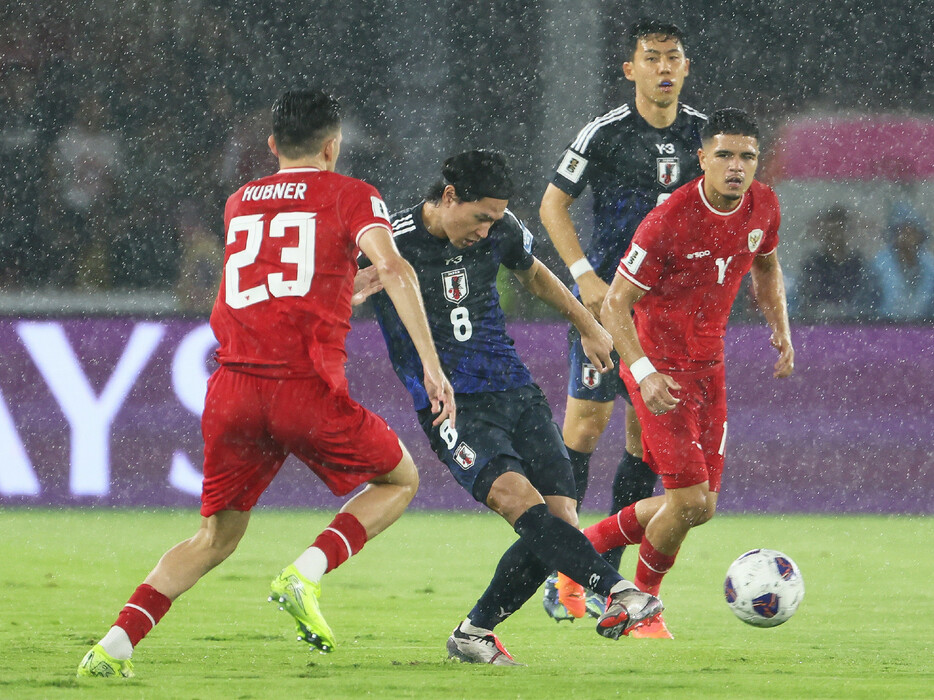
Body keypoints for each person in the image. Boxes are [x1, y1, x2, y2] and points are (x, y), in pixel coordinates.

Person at [76, 88, 455, 678]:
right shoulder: (353, 195)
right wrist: (432, 365)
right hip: (301, 388)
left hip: (232, 389)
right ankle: (306, 572)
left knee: (213, 539)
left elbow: (273, 286)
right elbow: (394, 268)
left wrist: (341, 291)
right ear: (334, 146)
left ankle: (110, 649)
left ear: (273, 144)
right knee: (400, 479)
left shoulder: (240, 202)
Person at [362, 149, 663, 665]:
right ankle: (617, 592)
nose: (486, 230)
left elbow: (534, 273)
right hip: (452, 404)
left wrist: (588, 324)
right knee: (515, 498)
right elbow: (336, 295)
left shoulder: (500, 228)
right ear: (449, 197)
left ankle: (474, 632)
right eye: (480, 217)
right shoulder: (391, 241)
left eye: (495, 219)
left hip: (515, 390)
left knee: (561, 519)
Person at [580, 108, 794, 639]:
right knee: (690, 501)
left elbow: (766, 264)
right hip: (661, 371)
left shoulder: (764, 205)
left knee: (700, 507)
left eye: (747, 156)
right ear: (701, 159)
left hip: (709, 369)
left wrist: (781, 327)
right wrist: (645, 373)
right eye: (724, 155)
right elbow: (614, 305)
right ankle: (640, 607)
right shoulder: (668, 220)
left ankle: (578, 553)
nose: (736, 166)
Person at [538, 18, 707, 620]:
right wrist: (583, 273)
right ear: (630, 69)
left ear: (686, 67)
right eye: (651, 58)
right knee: (585, 425)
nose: (664, 68)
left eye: (673, 58)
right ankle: (562, 571)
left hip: (669, 318)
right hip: (609, 306)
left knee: (644, 436)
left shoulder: (707, 138)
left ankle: (604, 578)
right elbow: (552, 204)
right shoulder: (606, 134)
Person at [795, 205, 879, 322]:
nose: (835, 233)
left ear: (847, 231)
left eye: (840, 227)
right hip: (820, 326)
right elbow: (807, 302)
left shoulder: (858, 263)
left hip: (856, 326)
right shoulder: (813, 264)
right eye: (831, 228)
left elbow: (868, 302)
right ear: (824, 232)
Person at [870, 201, 934, 321]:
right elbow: (868, 306)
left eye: (912, 230)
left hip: (924, 332)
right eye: (903, 230)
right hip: (883, 330)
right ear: (894, 234)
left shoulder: (930, 266)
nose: (907, 236)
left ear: (921, 235)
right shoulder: (879, 265)